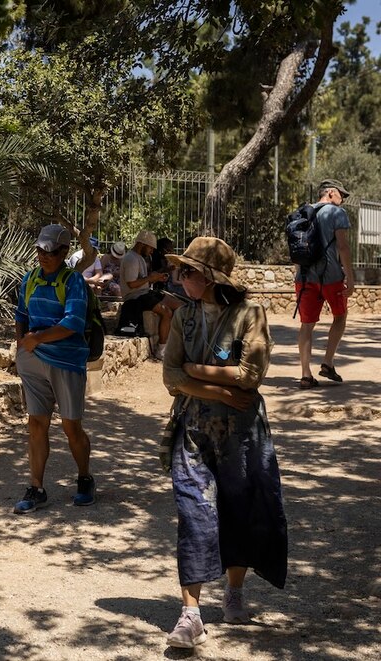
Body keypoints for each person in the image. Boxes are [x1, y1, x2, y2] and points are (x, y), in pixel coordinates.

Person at [160, 237, 287, 649]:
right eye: (180, 271)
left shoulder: (251, 313)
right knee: (193, 513)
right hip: (194, 429)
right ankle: (191, 614)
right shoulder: (184, 317)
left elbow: (251, 376)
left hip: (242, 435)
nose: (180, 278)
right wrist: (217, 388)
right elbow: (169, 378)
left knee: (241, 509)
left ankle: (233, 593)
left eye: (188, 272)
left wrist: (193, 375)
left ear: (211, 278)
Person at [13, 224, 95, 513]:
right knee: (36, 423)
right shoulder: (30, 279)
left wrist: (36, 339)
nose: (43, 256)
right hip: (33, 359)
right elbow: (21, 314)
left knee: (71, 426)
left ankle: (85, 479)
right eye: (39, 250)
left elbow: (73, 322)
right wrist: (22, 345)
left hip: (66, 361)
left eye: (50, 251)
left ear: (63, 252)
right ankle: (36, 487)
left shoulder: (73, 282)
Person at [295, 179, 355, 389]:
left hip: (303, 277)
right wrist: (351, 278)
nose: (343, 199)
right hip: (330, 277)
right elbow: (343, 247)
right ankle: (328, 363)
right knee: (340, 316)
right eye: (341, 194)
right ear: (330, 193)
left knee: (307, 325)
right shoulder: (336, 213)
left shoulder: (304, 211)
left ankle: (305, 375)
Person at [117, 230, 173, 356]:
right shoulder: (131, 258)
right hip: (136, 297)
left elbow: (142, 279)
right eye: (151, 248)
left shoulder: (139, 258)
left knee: (178, 304)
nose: (152, 252)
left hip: (145, 293)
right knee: (167, 312)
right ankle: (161, 349)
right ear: (143, 244)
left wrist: (156, 277)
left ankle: (172, 344)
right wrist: (150, 278)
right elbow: (131, 284)